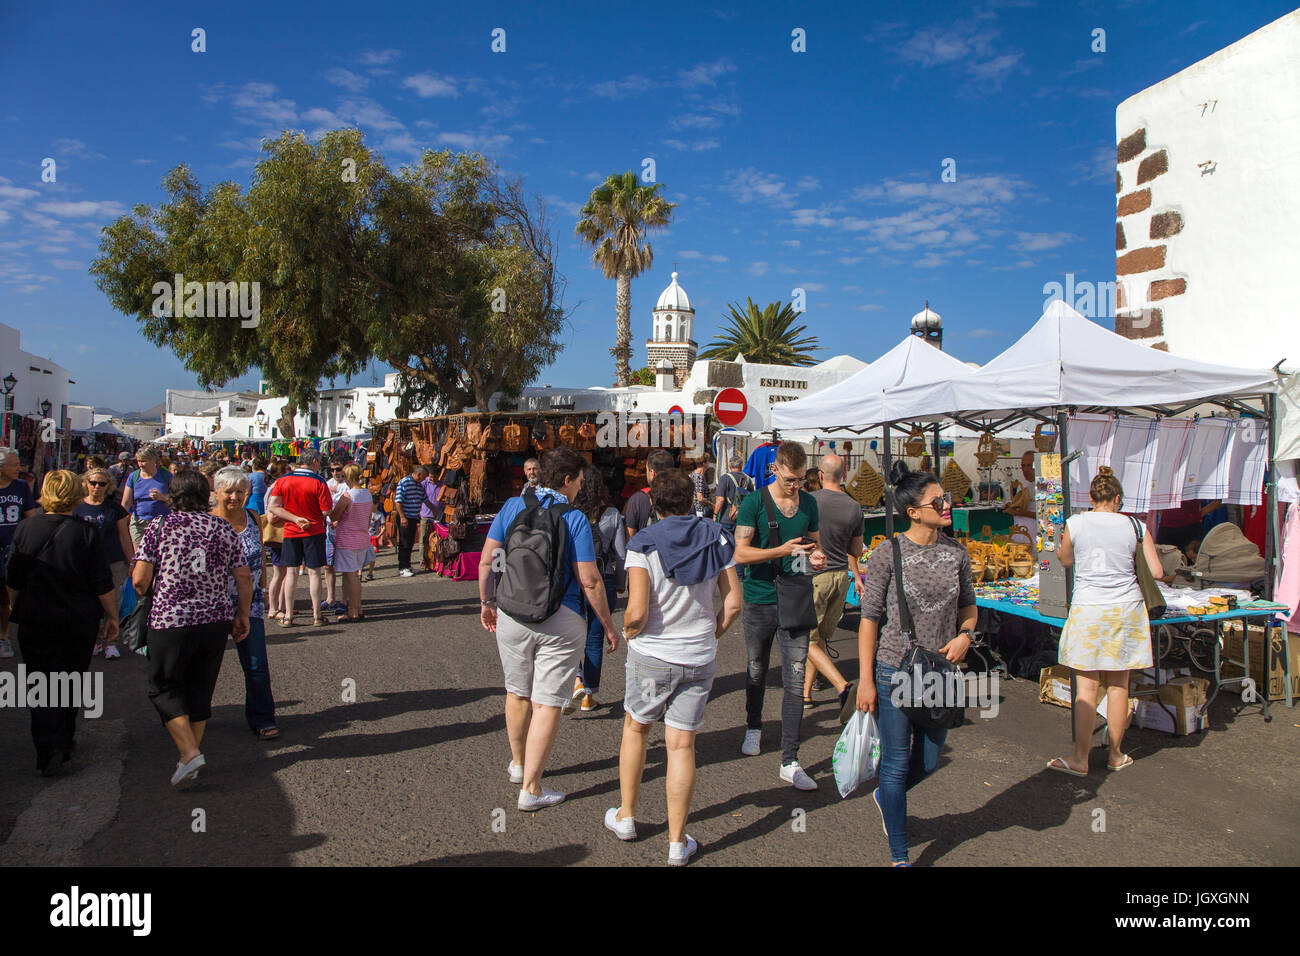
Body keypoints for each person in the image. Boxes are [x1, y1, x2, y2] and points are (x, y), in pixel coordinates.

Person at [606, 469, 742, 865]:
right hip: (699, 656)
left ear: (654, 504)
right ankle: (676, 843)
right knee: (682, 745)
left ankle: (627, 817)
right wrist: (712, 634)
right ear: (693, 499)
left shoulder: (644, 543)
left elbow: (636, 611)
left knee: (636, 729)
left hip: (653, 655)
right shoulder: (718, 535)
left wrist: (630, 633)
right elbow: (733, 603)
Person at [478, 447, 618, 811]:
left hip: (511, 613)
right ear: (567, 480)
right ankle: (532, 788)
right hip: (562, 618)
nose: (580, 490)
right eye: (579, 482)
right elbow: (589, 580)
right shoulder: (573, 518)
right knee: (547, 704)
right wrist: (606, 624)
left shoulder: (512, 506)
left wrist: (487, 601)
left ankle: (519, 764)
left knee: (517, 692)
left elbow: (488, 559)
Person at [856, 464, 976, 867]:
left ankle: (887, 799)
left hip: (940, 671)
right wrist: (866, 680)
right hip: (894, 668)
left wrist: (966, 635)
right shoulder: (888, 552)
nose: (947, 505)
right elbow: (869, 617)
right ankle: (900, 855)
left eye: (947, 499)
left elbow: (969, 607)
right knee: (894, 763)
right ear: (912, 511)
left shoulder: (957, 552)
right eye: (938, 501)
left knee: (927, 759)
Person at [133, 469, 251, 787]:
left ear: (173, 495)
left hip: (171, 620)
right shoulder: (222, 527)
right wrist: (242, 614)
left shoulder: (159, 526)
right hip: (214, 620)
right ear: (207, 495)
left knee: (163, 685)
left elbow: (140, 581)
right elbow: (243, 576)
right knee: (201, 688)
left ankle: (188, 753)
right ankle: (191, 757)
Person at [1049, 466, 1160, 776]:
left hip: (1088, 608)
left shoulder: (1076, 523)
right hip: (1126, 609)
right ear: (1118, 498)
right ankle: (1115, 754)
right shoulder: (1136, 526)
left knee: (1086, 688)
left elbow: (1065, 559)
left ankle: (1081, 759)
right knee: (1118, 686)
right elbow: (1158, 571)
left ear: (1091, 497)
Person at [5, 471, 118, 775]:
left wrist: (14, 605)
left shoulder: (26, 528)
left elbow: (13, 576)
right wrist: (112, 616)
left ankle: (46, 746)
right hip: (77, 620)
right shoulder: (85, 532)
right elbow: (101, 581)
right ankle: (63, 740)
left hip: (36, 618)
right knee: (71, 680)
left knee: (40, 682)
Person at [733, 441, 825, 790]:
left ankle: (790, 759)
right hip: (759, 598)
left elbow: (812, 546)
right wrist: (780, 550)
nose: (796, 486)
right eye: (790, 479)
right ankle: (754, 725)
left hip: (796, 597)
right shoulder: (754, 502)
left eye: (801, 479)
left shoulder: (810, 503)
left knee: (796, 676)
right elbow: (740, 554)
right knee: (757, 667)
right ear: (775, 470)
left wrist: (813, 558)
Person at [209, 467, 280, 739]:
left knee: (256, 664)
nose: (234, 497)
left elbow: (260, 552)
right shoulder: (208, 521)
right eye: (229, 491)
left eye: (240, 491)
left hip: (250, 603)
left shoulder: (252, 517)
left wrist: (262, 582)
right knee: (207, 665)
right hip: (214, 604)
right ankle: (194, 717)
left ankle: (263, 719)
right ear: (217, 492)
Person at [566, 463, 627, 714]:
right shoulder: (612, 514)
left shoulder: (569, 513)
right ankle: (588, 696)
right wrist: (622, 583)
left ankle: (576, 678)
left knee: (569, 635)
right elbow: (621, 554)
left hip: (575, 579)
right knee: (594, 638)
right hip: (606, 579)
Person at [804, 453, 861, 710]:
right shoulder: (854, 506)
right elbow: (856, 551)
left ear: (820, 475)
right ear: (844, 475)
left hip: (815, 575)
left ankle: (842, 686)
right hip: (841, 576)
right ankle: (805, 694)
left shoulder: (808, 501)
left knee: (805, 639)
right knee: (820, 639)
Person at [266, 449, 335, 627]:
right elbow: (326, 511)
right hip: (314, 531)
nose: (319, 464)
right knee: (314, 573)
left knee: (291, 573)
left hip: (291, 531)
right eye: (319, 461)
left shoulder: (283, 481)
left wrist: (295, 518)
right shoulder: (319, 482)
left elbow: (273, 507)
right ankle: (317, 616)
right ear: (313, 461)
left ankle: (288, 615)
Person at [74, 466, 134, 659]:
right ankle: (94, 641)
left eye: (102, 483)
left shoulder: (114, 508)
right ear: (86, 483)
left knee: (112, 604)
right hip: (84, 563)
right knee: (89, 604)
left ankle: (110, 643)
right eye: (93, 483)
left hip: (112, 561)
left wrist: (131, 561)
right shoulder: (77, 506)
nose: (97, 487)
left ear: (108, 486)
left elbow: (124, 536)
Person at [0, 446, 40, 659]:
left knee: (7, 598)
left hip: (12, 550)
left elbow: (31, 517)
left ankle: (3, 638)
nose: (19, 468)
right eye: (14, 465)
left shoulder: (22, 487)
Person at [330, 464, 373, 621]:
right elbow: (368, 518)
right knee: (354, 574)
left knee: (351, 576)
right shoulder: (367, 494)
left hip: (348, 539)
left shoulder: (348, 496)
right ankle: (357, 607)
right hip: (362, 538)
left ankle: (354, 610)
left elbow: (334, 516)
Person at [121, 446, 173, 549]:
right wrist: (120, 521)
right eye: (139, 461)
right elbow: (126, 502)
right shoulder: (134, 476)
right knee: (139, 555)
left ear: (153, 461)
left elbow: (177, 500)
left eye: (143, 461)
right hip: (139, 522)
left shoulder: (166, 475)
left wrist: (162, 497)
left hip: (161, 522)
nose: (140, 464)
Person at [625, 449, 674, 538]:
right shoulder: (684, 497)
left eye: (646, 469)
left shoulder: (638, 499)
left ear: (652, 473)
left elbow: (630, 537)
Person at [394, 466, 428, 577]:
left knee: (410, 542)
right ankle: (402, 567)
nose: (423, 480)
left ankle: (407, 565)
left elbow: (424, 499)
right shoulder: (404, 482)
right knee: (404, 542)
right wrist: (402, 517)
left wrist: (434, 511)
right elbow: (398, 501)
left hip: (413, 517)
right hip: (405, 517)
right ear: (418, 474)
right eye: (423, 477)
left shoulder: (418, 485)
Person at [712, 453, 754, 536]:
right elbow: (752, 500)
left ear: (730, 466)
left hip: (727, 518)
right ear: (741, 466)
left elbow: (720, 499)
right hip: (743, 519)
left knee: (727, 545)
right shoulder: (748, 479)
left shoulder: (725, 478)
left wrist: (715, 515)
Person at [1004, 451, 1039, 543]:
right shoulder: (1022, 485)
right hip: (1018, 537)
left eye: (1029, 465)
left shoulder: (1044, 487)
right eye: (1023, 466)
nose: (1026, 469)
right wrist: (1011, 507)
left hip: (1035, 539)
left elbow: (1047, 516)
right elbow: (1019, 506)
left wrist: (1026, 513)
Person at [418, 468, 444, 573]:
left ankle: (436, 561)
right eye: (431, 477)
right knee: (423, 540)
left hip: (438, 516)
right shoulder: (424, 483)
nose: (432, 479)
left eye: (434, 477)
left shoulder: (442, 485)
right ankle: (422, 561)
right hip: (425, 514)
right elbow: (421, 496)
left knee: (437, 540)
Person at [689, 454, 713, 518]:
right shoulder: (699, 477)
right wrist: (712, 505)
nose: (709, 463)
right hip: (701, 511)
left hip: (694, 509)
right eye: (708, 461)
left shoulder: (692, 474)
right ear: (704, 463)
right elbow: (700, 498)